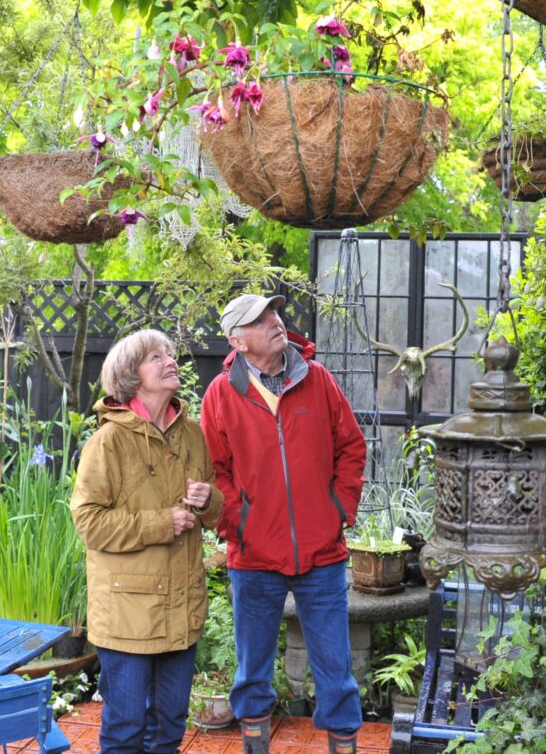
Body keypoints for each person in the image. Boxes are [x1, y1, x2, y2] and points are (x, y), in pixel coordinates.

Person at [201, 293, 366, 754]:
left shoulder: (318, 381)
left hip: (322, 555)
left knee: (336, 668)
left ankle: (344, 745)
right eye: (261, 319)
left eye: (274, 313)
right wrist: (241, 524)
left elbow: (351, 448)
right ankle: (256, 745)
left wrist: (337, 512)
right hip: (253, 557)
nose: (276, 321)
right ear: (237, 340)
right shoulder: (220, 395)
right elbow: (215, 471)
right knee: (252, 668)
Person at [72, 329, 224, 754]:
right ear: (130, 376)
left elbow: (215, 510)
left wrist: (208, 499)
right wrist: (161, 523)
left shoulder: (192, 434)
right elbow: (88, 522)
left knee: (169, 730)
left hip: (181, 608)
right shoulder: (108, 442)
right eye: (156, 357)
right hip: (126, 616)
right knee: (125, 732)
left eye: (171, 354)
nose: (170, 361)